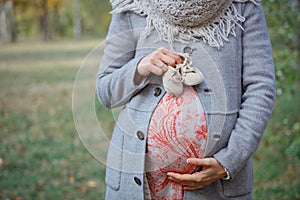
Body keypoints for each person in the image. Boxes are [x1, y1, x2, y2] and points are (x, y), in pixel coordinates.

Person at [96, 0, 276, 199]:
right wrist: (139, 68)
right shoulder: (132, 6)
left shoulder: (242, 5)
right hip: (136, 182)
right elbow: (106, 93)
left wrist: (229, 160)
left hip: (214, 187)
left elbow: (261, 88)